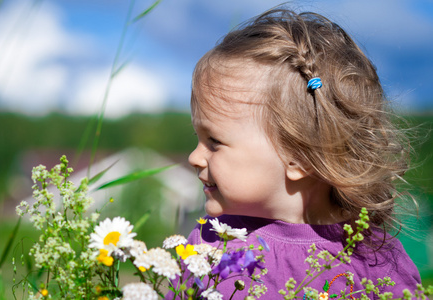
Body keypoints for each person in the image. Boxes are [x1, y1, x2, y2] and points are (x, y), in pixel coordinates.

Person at [173, 6, 421, 299]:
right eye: (198, 138)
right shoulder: (211, 243)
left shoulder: (376, 259)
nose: (194, 157)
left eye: (214, 141)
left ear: (300, 156)